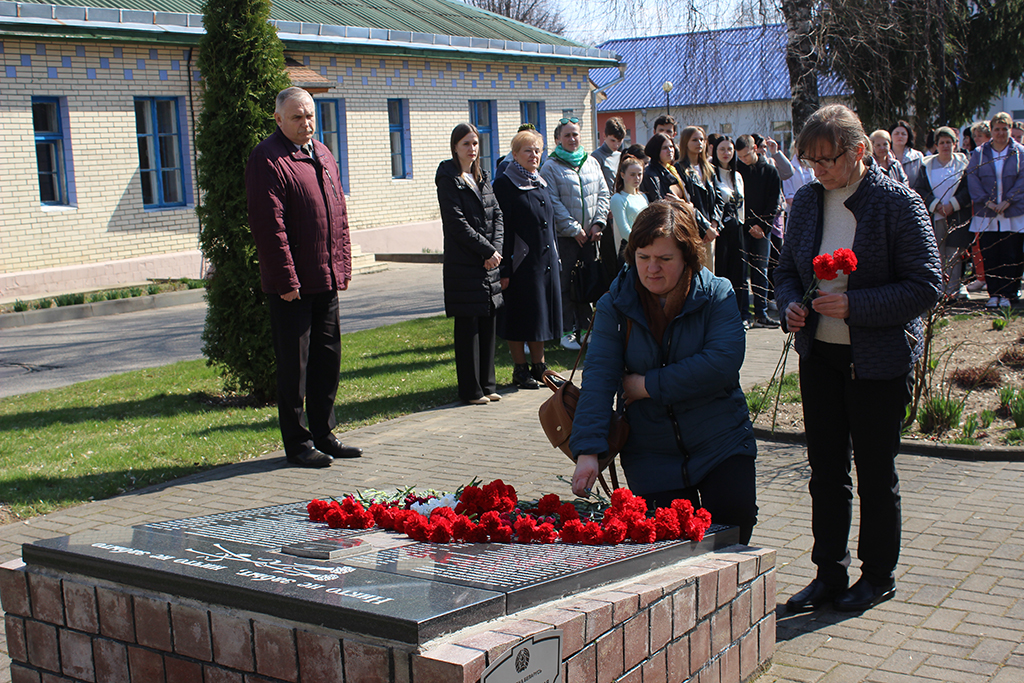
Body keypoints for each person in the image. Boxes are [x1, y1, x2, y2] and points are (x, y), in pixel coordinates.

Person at [776, 103, 940, 614]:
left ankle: (877, 575)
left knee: (874, 472)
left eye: (826, 159)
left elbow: (927, 284)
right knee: (826, 472)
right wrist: (790, 306)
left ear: (859, 152)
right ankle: (828, 573)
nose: (818, 170)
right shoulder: (806, 201)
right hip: (820, 355)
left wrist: (856, 306)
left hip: (876, 361)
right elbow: (785, 270)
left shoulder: (897, 203)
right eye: (810, 159)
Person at [569, 200, 758, 544]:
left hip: (721, 444)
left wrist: (647, 385)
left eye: (665, 259)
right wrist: (588, 451)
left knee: (733, 541)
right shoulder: (615, 304)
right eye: (643, 258)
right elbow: (598, 375)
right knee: (670, 554)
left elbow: (721, 363)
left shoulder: (717, 294)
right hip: (650, 455)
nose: (652, 269)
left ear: (687, 256)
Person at [246, 86, 361, 468]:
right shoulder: (268, 158)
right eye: (296, 117)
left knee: (328, 360)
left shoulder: (323, 154)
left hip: (326, 278)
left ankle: (325, 434)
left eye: (310, 115)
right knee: (295, 367)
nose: (306, 123)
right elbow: (270, 227)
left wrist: (342, 266)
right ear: (279, 119)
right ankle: (297, 443)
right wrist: (287, 280)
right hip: (293, 288)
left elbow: (338, 216)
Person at [436, 123, 504, 404]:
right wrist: (486, 250)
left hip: (488, 263)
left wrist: (496, 251)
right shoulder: (448, 177)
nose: (472, 149)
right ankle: (471, 390)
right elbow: (456, 223)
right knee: (468, 327)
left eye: (475, 143)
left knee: (488, 320)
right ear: (455, 147)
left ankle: (488, 384)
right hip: (465, 263)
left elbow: (497, 214)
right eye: (466, 144)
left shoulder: (482, 176)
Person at [493, 129, 562, 389]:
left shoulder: (539, 180)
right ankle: (520, 369)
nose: (533, 155)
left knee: (539, 315)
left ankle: (539, 366)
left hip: (543, 261)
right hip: (520, 263)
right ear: (515, 154)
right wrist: (506, 267)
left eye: (537, 150)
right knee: (519, 316)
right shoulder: (505, 183)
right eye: (527, 150)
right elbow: (503, 228)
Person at [541, 117, 611, 351]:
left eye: (576, 134)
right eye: (567, 135)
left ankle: (587, 328)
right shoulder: (550, 167)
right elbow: (552, 202)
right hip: (566, 238)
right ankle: (567, 331)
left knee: (589, 283)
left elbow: (603, 192)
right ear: (558, 139)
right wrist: (574, 229)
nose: (572, 139)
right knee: (566, 286)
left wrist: (597, 224)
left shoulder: (590, 162)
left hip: (590, 237)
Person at [966, 111, 1024, 308]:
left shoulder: (1020, 152)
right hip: (987, 212)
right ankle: (994, 293)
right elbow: (972, 178)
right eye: (997, 129)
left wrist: (1008, 200)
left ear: (1010, 130)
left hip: (1013, 211)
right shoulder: (980, 153)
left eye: (1004, 129)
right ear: (991, 131)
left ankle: (1008, 293)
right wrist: (988, 202)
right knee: (990, 253)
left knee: (1011, 254)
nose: (1000, 133)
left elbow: (1022, 179)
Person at [914, 126, 972, 299]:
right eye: (942, 142)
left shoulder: (963, 165)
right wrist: (936, 205)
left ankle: (953, 290)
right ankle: (938, 290)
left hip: (956, 215)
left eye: (949, 142)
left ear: (955, 144)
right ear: (936, 145)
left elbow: (967, 190)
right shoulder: (926, 165)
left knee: (954, 253)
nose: (945, 146)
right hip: (935, 216)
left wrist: (952, 205)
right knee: (937, 252)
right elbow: (920, 189)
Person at [735, 134, 782, 328]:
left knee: (760, 271)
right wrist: (746, 225)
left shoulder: (770, 171)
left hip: (762, 228)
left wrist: (763, 226)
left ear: (755, 148)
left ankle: (761, 312)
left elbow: (774, 202)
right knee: (743, 271)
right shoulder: (737, 170)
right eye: (741, 157)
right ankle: (746, 313)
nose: (744, 160)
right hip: (743, 227)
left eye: (747, 155)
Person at [712, 136, 747, 321]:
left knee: (739, 273)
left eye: (729, 149)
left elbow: (742, 205)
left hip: (737, 229)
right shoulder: (711, 174)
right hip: (720, 231)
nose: (726, 153)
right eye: (722, 149)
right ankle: (720, 315)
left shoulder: (738, 176)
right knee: (722, 272)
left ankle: (739, 315)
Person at [677, 126, 722, 261]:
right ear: (686, 142)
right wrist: (706, 226)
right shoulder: (679, 169)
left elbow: (719, 199)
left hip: (711, 233)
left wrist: (714, 224)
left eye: (702, 139)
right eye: (695, 140)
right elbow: (687, 202)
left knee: (709, 274)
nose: (699, 143)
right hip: (692, 231)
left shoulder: (709, 168)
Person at [609, 153, 649, 264]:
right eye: (632, 174)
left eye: (639, 174)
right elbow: (625, 231)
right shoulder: (618, 198)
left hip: (645, 248)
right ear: (622, 175)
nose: (637, 178)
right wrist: (644, 243)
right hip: (629, 249)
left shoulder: (643, 196)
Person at [640, 133, 685, 203]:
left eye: (671, 146)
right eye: (665, 148)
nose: (670, 150)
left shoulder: (673, 170)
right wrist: (680, 203)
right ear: (656, 150)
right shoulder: (650, 174)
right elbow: (658, 202)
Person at [593, 117, 626, 191]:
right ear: (604, 136)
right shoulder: (596, 157)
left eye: (619, 141)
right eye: (613, 140)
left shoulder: (621, 156)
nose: (616, 145)